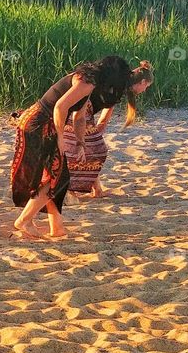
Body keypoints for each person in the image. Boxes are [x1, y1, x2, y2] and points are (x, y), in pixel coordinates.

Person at [10, 56, 153, 238]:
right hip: (38, 123)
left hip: (44, 123)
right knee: (57, 177)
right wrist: (61, 138)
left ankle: (56, 228)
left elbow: (78, 117)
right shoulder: (86, 81)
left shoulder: (91, 83)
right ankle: (24, 221)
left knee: (59, 177)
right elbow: (59, 108)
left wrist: (80, 143)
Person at [65, 61, 154, 197]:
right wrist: (98, 130)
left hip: (84, 109)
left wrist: (99, 129)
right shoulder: (120, 83)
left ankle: (96, 189)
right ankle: (72, 189)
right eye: (146, 87)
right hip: (82, 109)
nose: (144, 90)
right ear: (142, 82)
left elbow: (108, 107)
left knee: (93, 150)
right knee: (92, 150)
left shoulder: (121, 84)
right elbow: (106, 110)